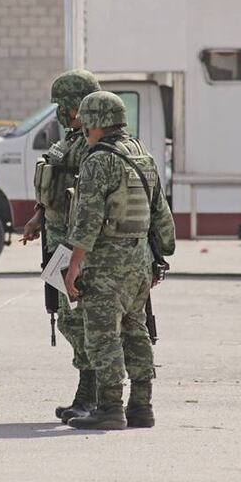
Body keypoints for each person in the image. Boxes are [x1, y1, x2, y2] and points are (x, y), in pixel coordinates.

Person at [63, 91, 176, 430]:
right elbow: (161, 214)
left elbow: (88, 219)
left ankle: (110, 407)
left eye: (86, 123)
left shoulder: (98, 160)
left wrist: (74, 265)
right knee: (136, 331)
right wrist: (159, 257)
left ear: (95, 123)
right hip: (139, 262)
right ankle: (141, 406)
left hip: (105, 265)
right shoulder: (143, 155)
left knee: (103, 335)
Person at [19, 69, 99, 422]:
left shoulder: (93, 145)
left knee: (80, 320)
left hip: (76, 246)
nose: (59, 112)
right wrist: (38, 216)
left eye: (63, 105)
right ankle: (88, 393)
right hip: (57, 244)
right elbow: (56, 186)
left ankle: (91, 395)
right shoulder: (69, 141)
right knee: (68, 319)